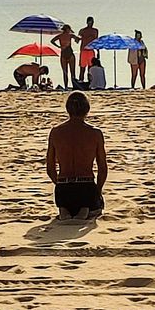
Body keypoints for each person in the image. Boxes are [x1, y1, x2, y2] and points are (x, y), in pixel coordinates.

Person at [46, 92, 108, 221]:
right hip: (85, 186)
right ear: (87, 109)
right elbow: (102, 168)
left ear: (68, 109)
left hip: (64, 188)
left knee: (66, 202)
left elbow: (50, 168)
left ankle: (65, 209)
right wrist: (98, 191)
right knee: (96, 206)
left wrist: (58, 184)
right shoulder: (95, 133)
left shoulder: (56, 132)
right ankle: (85, 209)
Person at [77, 17, 100, 84]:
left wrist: (98, 51)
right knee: (82, 67)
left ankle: (90, 82)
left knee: (91, 67)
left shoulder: (95, 30)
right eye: (90, 22)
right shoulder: (82, 30)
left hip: (91, 50)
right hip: (84, 50)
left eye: (92, 22)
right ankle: (81, 80)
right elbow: (78, 39)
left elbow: (96, 41)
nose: (91, 23)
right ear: (87, 22)